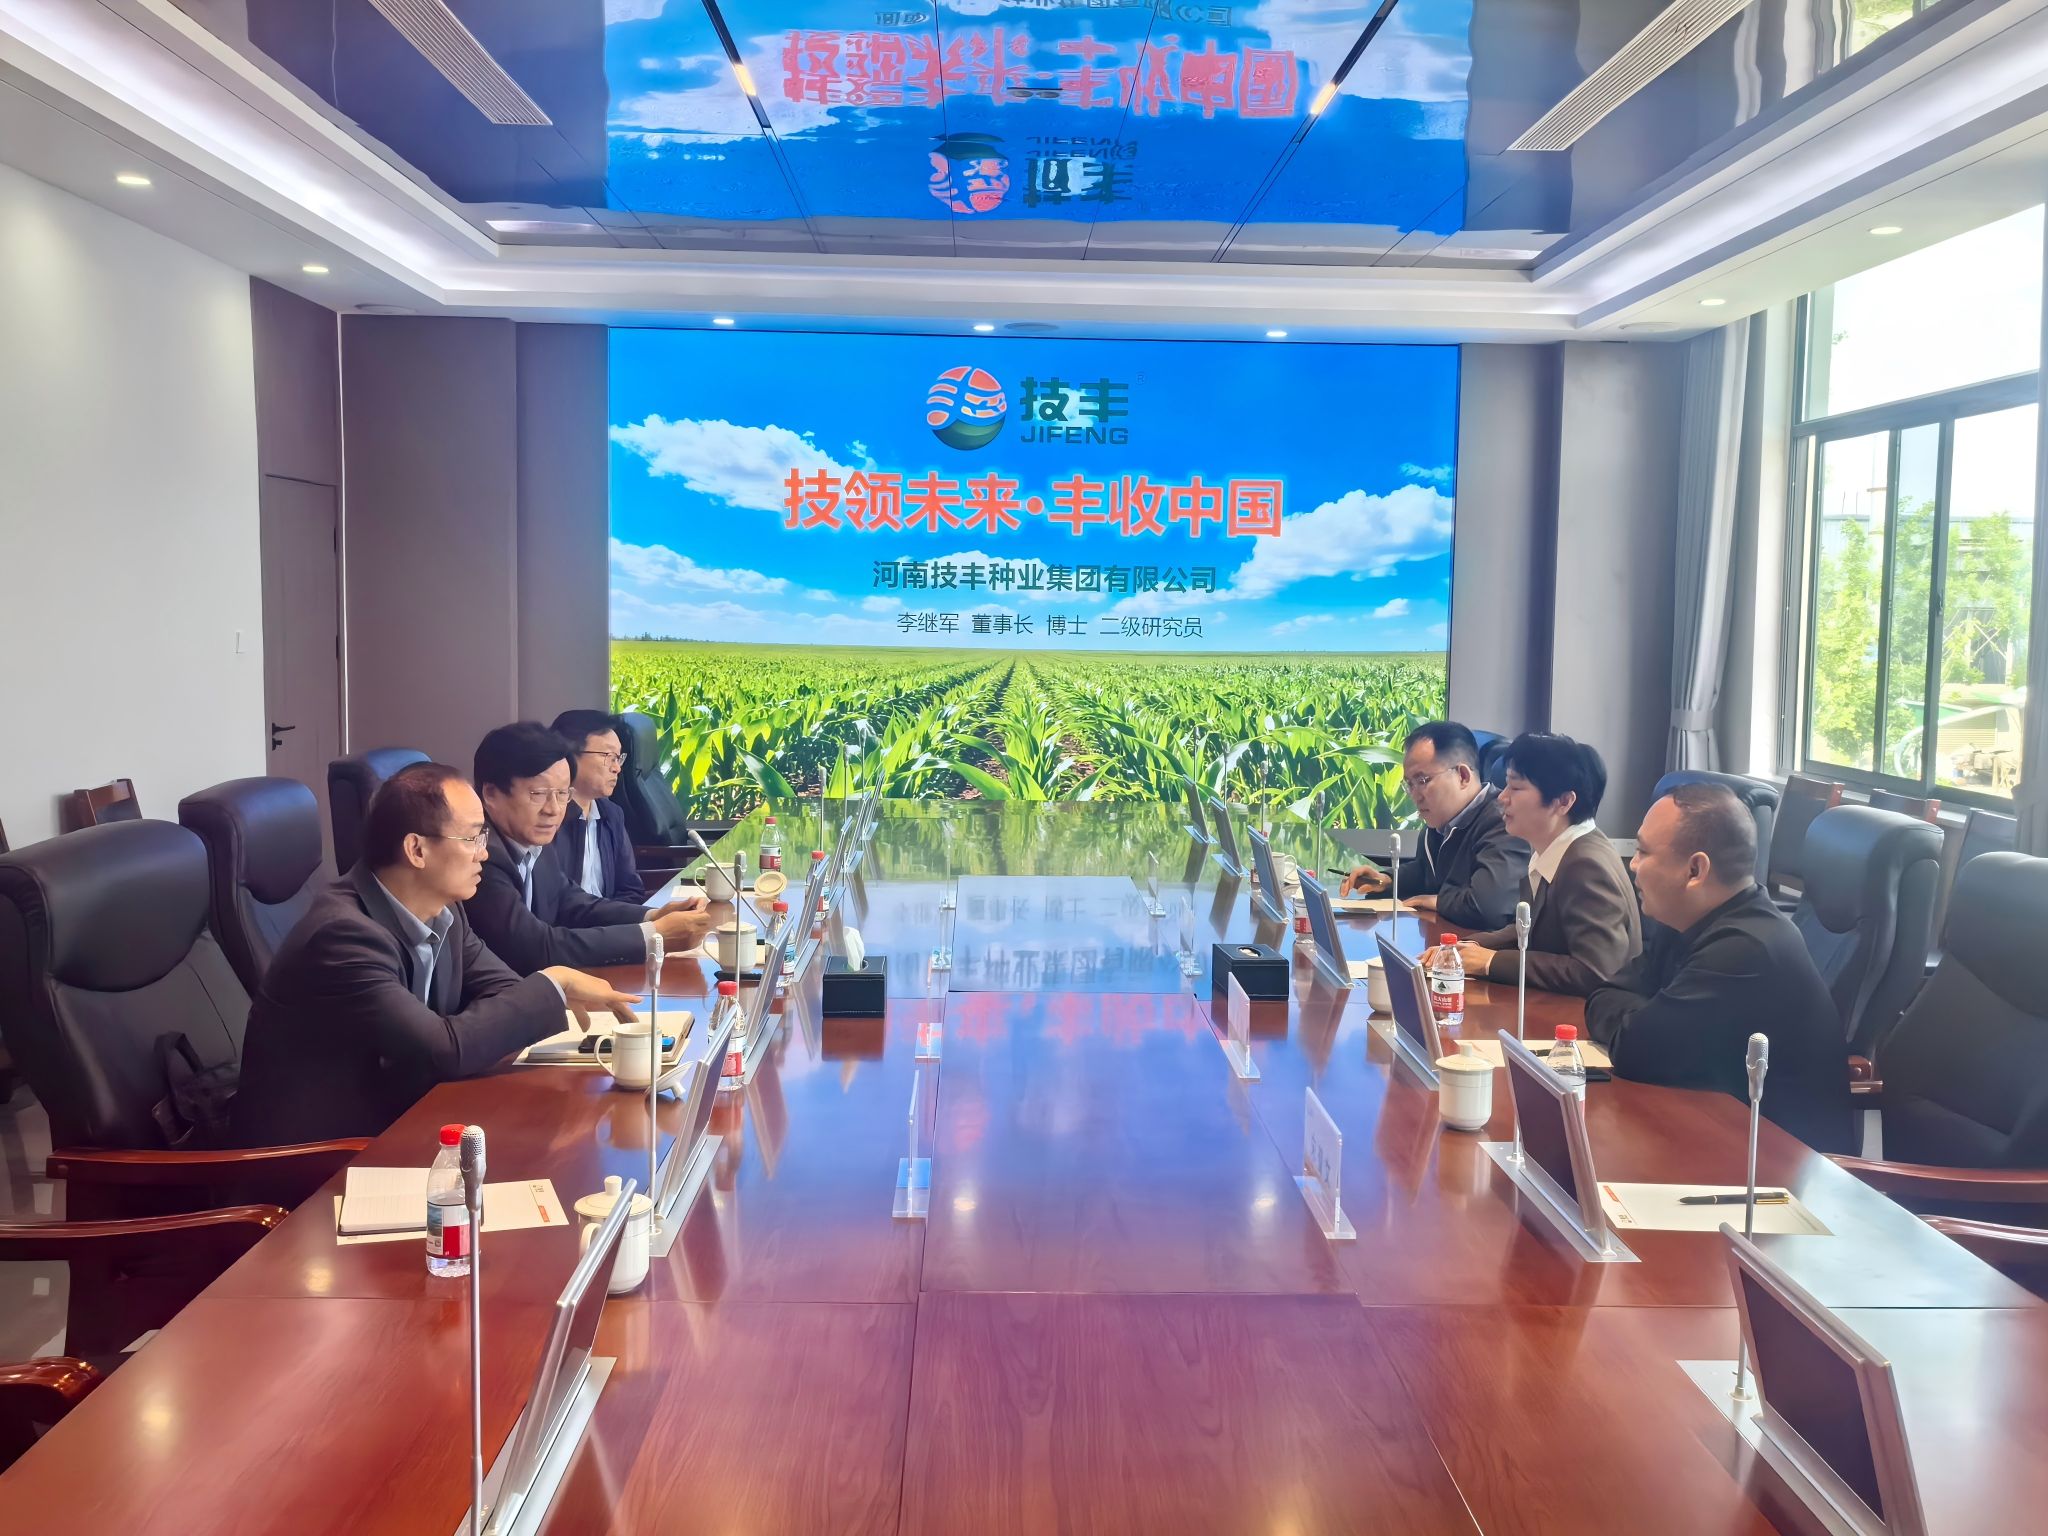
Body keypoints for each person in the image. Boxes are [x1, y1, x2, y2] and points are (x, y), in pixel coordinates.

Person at [232, 763, 645, 1143]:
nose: (485, 852)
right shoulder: (343, 935)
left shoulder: (445, 911)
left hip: (411, 1120)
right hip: (324, 1158)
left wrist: (483, 1022)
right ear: (416, 850)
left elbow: (504, 991)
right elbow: (442, 1051)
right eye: (472, 838)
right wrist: (556, 982)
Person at [1586, 783, 1853, 1153]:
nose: (1632, 864)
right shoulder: (1687, 920)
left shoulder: (1745, 950)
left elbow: (1634, 1050)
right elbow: (1603, 995)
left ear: (1695, 869)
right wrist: (1643, 1016)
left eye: (1643, 852)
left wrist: (1641, 1016)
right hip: (1720, 1133)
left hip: (1779, 1167)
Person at [466, 722, 715, 975]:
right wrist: (654, 934)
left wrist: (654, 916)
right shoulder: (479, 856)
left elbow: (571, 902)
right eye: (538, 794)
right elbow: (536, 948)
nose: (553, 810)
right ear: (491, 794)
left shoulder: (533, 839)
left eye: (562, 794)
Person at [1423, 733, 1640, 996]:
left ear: (1564, 801)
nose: (1502, 797)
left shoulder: (1586, 865)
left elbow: (1597, 972)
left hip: (1581, 1015)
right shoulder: (1557, 848)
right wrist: (1468, 947)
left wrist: (1491, 962)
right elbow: (1531, 928)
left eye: (1515, 788)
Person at [1338, 721, 1528, 931]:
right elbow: (1426, 872)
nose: (1415, 795)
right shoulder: (1439, 824)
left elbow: (1488, 907)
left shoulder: (1504, 822)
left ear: (1463, 776)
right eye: (1409, 784)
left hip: (1485, 946)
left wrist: (1437, 901)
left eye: (1423, 781)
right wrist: (1386, 880)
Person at [547, 709, 645, 902]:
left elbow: (631, 889)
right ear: (569, 756)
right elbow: (554, 903)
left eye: (618, 758)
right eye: (608, 756)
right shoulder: (548, 819)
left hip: (611, 919)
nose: (617, 768)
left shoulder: (612, 814)